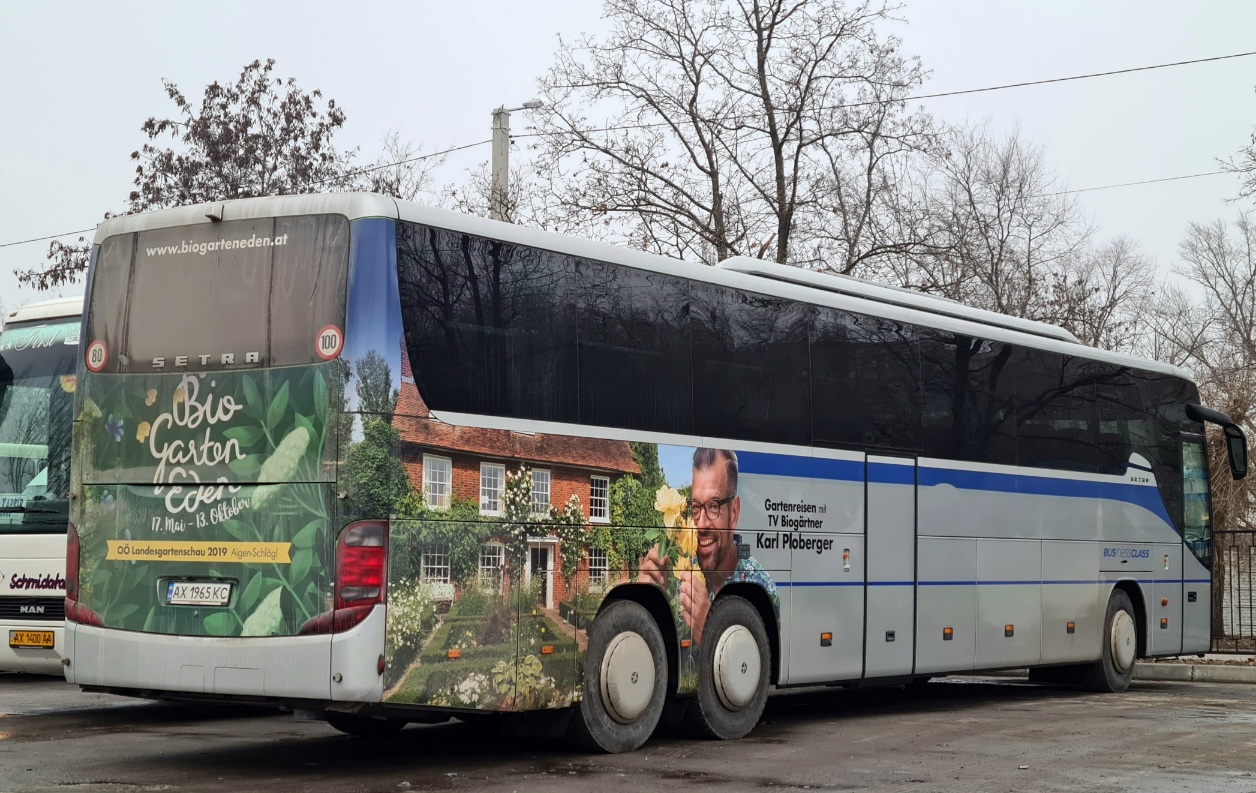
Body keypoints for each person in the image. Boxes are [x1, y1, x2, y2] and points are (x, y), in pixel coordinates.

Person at [639, 448, 778, 644]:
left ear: (734, 513)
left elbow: (758, 667)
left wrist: (709, 628)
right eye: (696, 507)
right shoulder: (679, 571)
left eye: (713, 506)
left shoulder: (761, 588)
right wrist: (646, 606)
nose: (701, 523)